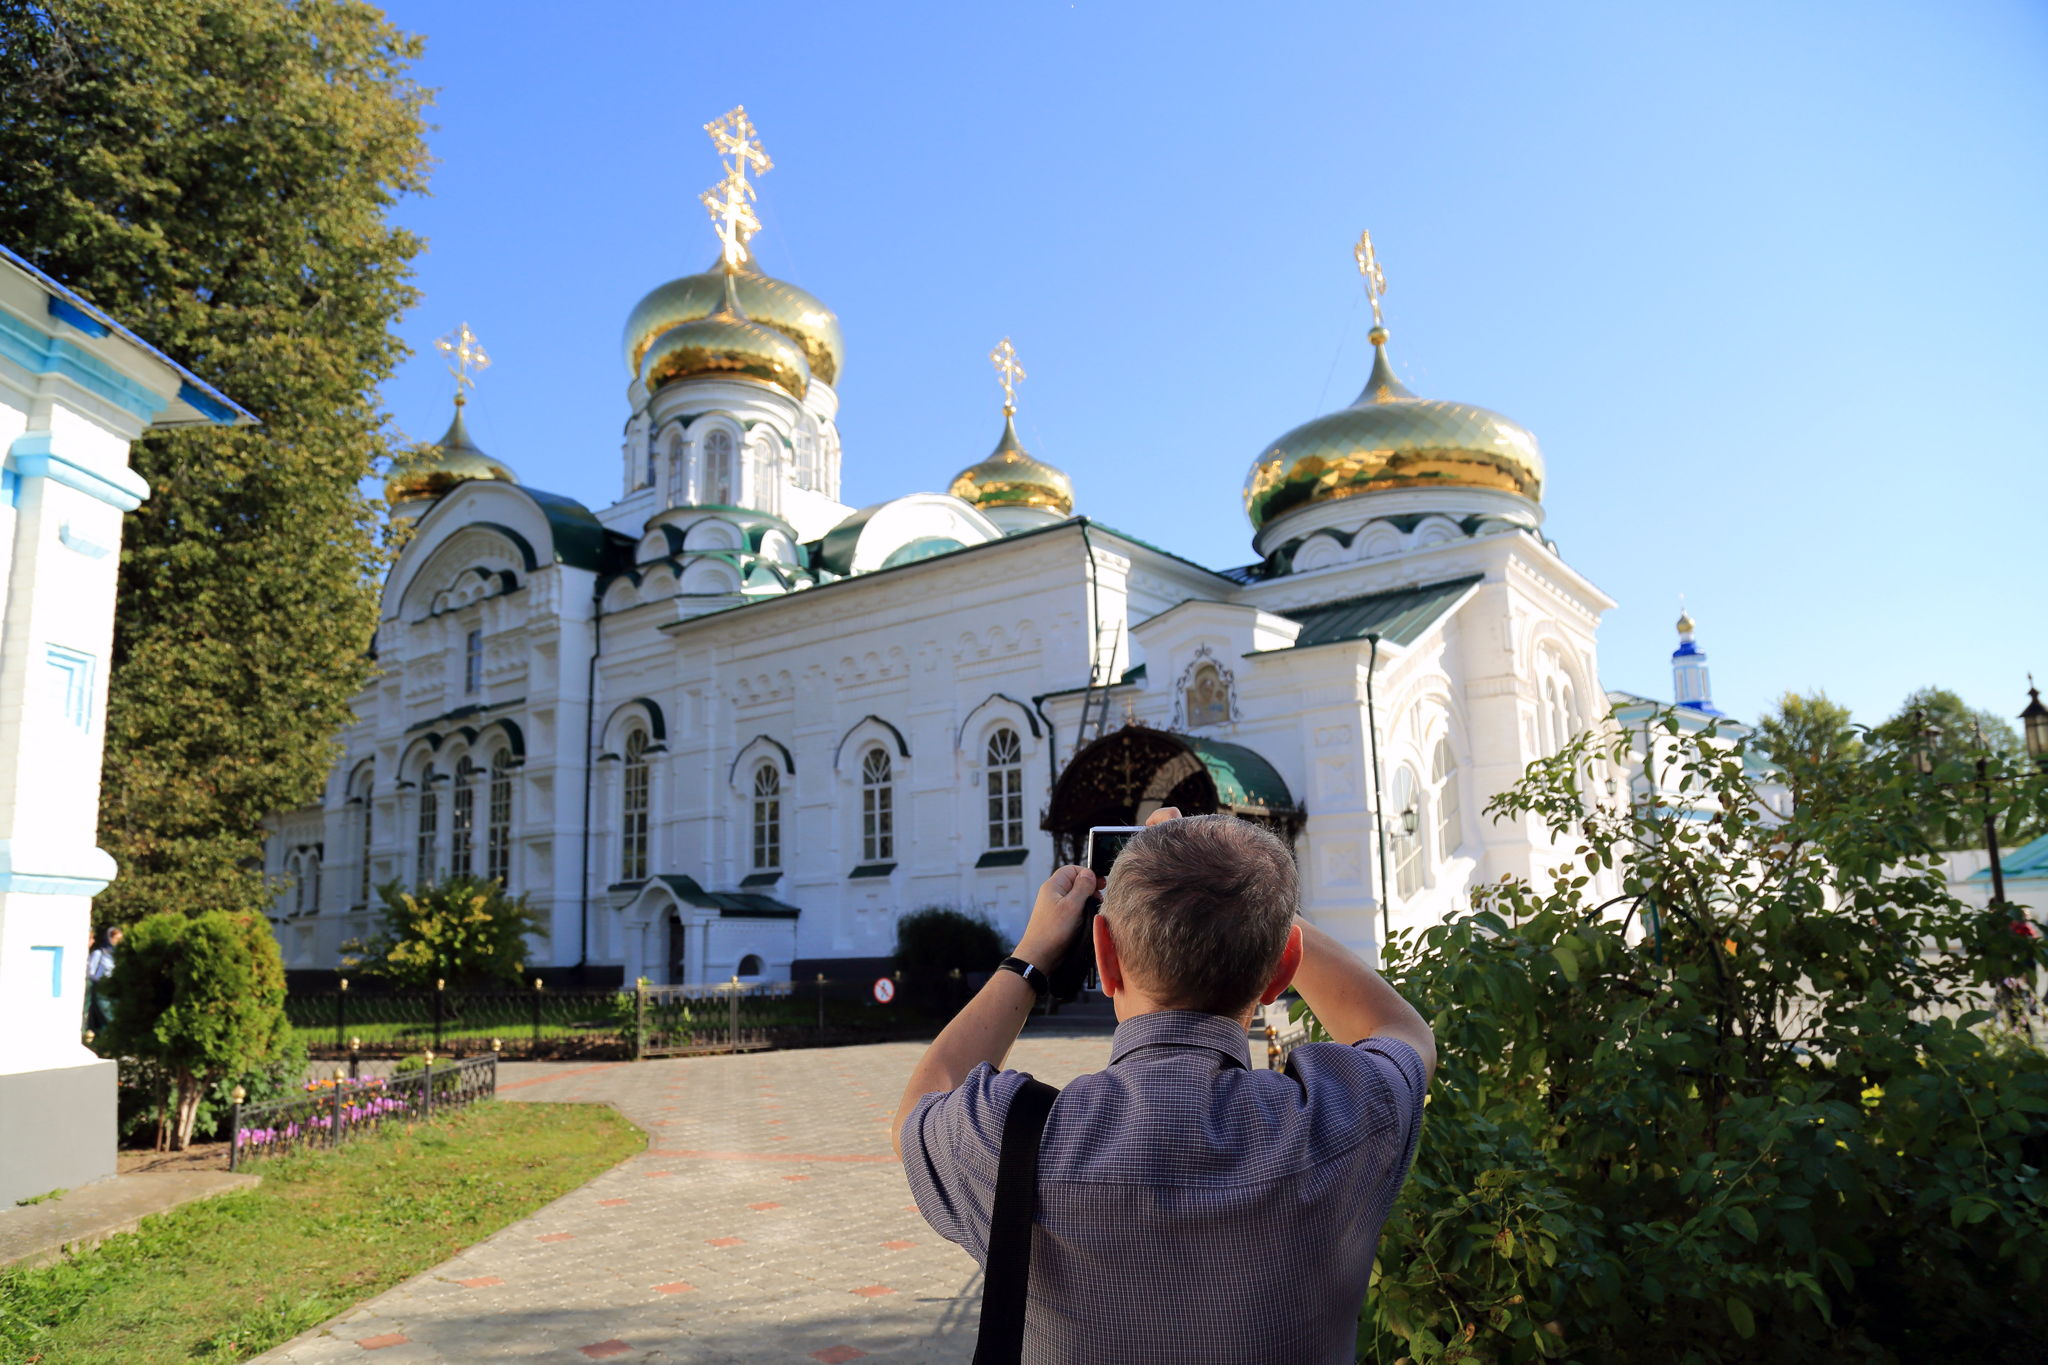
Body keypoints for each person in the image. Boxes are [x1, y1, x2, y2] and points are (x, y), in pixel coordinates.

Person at [894, 810, 1436, 1364]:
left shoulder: (1012, 1140)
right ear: (1282, 969)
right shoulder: (1336, 1119)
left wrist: (1030, 957)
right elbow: (1401, 1032)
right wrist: (1263, 909)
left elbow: (923, 1102)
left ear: (1105, 956)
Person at [85, 925, 122, 1033]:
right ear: (109, 938)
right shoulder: (99, 953)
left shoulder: (119, 954)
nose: (119, 942)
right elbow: (91, 972)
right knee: (107, 1017)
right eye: (117, 939)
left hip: (115, 990)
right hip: (101, 991)